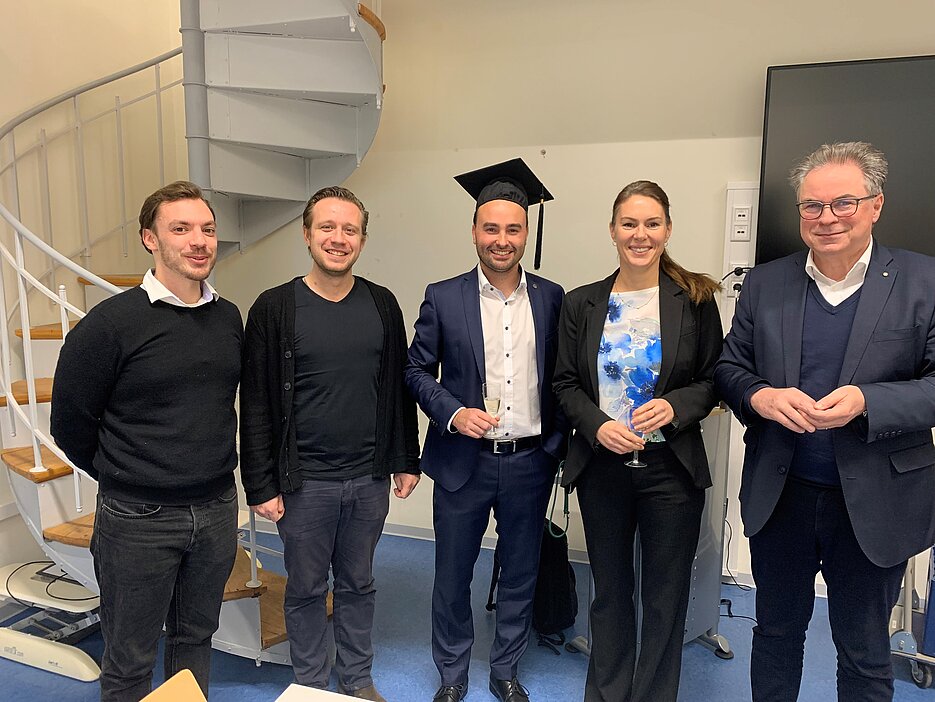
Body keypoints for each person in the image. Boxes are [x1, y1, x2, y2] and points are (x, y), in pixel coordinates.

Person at [715, 141, 935, 701]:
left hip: (874, 503)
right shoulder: (766, 283)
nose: (827, 217)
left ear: (876, 205)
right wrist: (760, 396)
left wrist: (868, 401)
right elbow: (729, 368)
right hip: (781, 495)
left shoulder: (924, 281)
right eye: (812, 206)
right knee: (775, 636)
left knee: (863, 653)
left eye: (844, 203)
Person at [50, 181, 242, 701]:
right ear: (150, 239)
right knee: (129, 659)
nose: (199, 241)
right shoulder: (110, 325)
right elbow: (70, 424)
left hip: (216, 510)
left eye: (207, 229)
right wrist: (128, 473)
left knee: (195, 639)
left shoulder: (228, 317)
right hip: (138, 519)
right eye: (181, 229)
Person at [239, 186, 421, 701]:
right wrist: (260, 484)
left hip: (368, 479)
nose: (338, 239)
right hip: (305, 485)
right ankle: (312, 685)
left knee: (359, 583)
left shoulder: (382, 304)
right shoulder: (274, 308)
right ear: (306, 234)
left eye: (350, 230)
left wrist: (406, 458)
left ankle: (357, 678)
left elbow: (398, 389)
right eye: (327, 227)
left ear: (362, 239)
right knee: (305, 588)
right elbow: (256, 402)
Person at [552, 180, 722, 701]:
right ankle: (606, 694)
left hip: (671, 471)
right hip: (602, 468)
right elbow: (564, 383)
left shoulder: (695, 301)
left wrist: (675, 407)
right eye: (629, 223)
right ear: (612, 230)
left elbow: (714, 380)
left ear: (667, 230)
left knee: (666, 598)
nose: (640, 234)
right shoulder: (581, 303)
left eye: (651, 223)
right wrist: (596, 425)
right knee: (609, 592)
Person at [406, 159, 566, 702]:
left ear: (526, 233)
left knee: (520, 571)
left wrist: (555, 447)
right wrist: (453, 412)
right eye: (491, 228)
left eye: (513, 229)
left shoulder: (551, 297)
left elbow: (563, 377)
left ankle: (505, 670)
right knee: (453, 574)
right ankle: (452, 674)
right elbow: (415, 370)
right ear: (474, 231)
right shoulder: (443, 296)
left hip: (530, 461)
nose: (502, 240)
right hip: (463, 462)